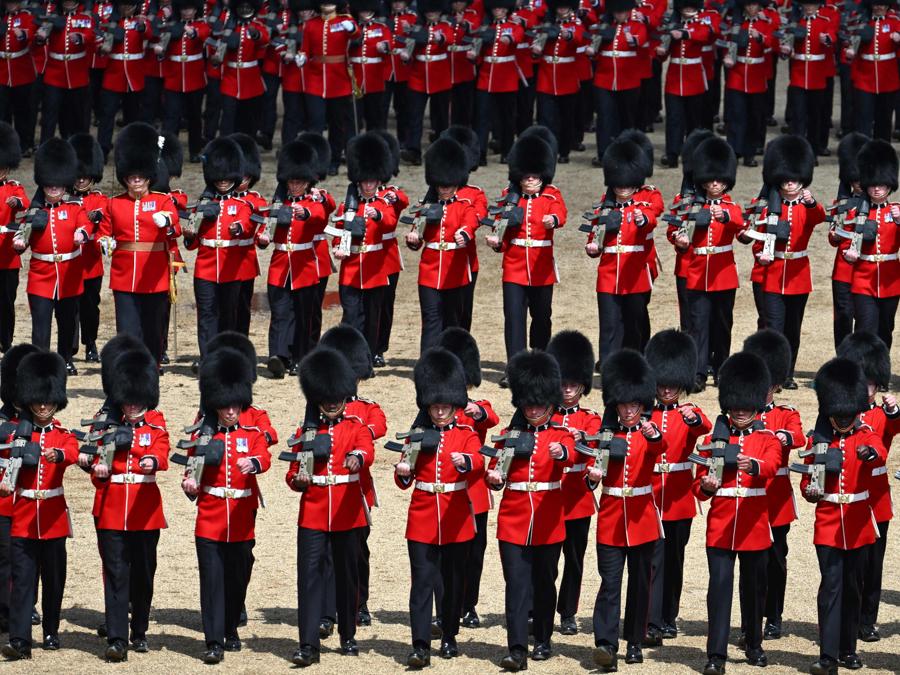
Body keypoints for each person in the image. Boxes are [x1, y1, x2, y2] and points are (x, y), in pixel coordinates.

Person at [692, 351, 781, 674]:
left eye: (747, 407)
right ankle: (715, 654)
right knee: (719, 589)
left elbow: (772, 464)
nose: (741, 412)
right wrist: (707, 486)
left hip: (755, 525)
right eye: (736, 406)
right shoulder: (710, 441)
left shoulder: (766, 438)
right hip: (721, 525)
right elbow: (696, 487)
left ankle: (754, 643)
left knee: (754, 589)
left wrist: (753, 465)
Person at [180, 346, 271, 664]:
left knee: (238, 574)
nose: (231, 411)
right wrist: (190, 485)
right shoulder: (203, 435)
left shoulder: (250, 430)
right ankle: (214, 640)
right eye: (225, 405)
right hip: (210, 515)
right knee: (212, 579)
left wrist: (254, 463)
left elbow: (264, 454)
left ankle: (231, 626)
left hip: (242, 516)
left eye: (235, 405)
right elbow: (190, 469)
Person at [486, 349, 575, 671]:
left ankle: (544, 638)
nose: (534, 409)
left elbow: (574, 457)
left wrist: (562, 453)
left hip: (549, 519)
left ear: (550, 403)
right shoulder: (510, 437)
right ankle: (517, 649)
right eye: (529, 403)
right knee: (517, 585)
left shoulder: (561, 433)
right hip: (513, 520)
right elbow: (496, 472)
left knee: (545, 582)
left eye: (539, 403)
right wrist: (494, 479)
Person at [287, 347, 374, 666]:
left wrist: (357, 459)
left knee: (347, 575)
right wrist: (298, 479)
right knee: (308, 578)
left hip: (347, 512)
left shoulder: (354, 425)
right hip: (312, 512)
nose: (332, 403)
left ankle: (348, 634)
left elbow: (366, 449)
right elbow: (292, 471)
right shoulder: (306, 431)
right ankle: (308, 644)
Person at [800, 358, 886, 675]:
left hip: (859, 522)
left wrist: (870, 453)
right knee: (831, 586)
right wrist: (810, 490)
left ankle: (849, 650)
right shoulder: (818, 439)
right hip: (828, 522)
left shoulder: (864, 433)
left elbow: (879, 449)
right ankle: (828, 654)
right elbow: (807, 479)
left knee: (853, 587)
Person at [396, 348, 481, 667]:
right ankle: (420, 645)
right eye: (435, 406)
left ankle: (449, 635)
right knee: (422, 583)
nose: (440, 412)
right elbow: (404, 473)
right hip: (422, 516)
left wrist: (466, 462)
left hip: (456, 516)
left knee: (452, 582)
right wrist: (403, 473)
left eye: (445, 406)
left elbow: (477, 460)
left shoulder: (465, 433)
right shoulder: (417, 435)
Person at [87, 347, 168, 662]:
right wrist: (100, 467)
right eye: (127, 398)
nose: (133, 404)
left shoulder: (155, 421)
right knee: (116, 574)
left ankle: (140, 631)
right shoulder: (105, 422)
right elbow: (96, 469)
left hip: (145, 512)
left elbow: (161, 451)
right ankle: (118, 638)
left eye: (138, 398)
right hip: (112, 509)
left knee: (144, 574)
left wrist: (143, 455)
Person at [587, 349, 664, 670]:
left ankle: (634, 642)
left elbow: (664, 447)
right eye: (624, 405)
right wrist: (591, 477)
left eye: (634, 405)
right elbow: (589, 473)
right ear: (616, 405)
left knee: (638, 585)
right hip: (611, 519)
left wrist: (654, 433)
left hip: (643, 518)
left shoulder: (649, 434)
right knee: (610, 584)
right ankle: (606, 643)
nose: (629, 410)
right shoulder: (605, 436)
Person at [0, 351, 79, 660]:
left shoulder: (63, 435)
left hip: (53, 519)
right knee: (22, 581)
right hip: (22, 517)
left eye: (48, 401)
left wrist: (58, 456)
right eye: (38, 400)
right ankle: (20, 639)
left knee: (54, 580)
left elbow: (71, 453)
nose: (43, 406)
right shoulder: (15, 433)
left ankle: (50, 630)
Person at [317, 323, 387, 629]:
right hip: (325, 492)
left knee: (356, 552)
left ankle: (359, 603)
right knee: (326, 556)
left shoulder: (366, 408)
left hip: (356, 492)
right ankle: (328, 611)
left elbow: (378, 427)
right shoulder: (319, 409)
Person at [643, 329, 710, 643]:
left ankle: (669, 615)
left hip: (679, 497)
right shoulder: (646, 414)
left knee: (675, 560)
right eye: (662, 383)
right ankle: (651, 619)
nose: (666, 389)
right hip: (651, 496)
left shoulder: (690, 413)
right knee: (653, 559)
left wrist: (692, 418)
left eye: (672, 384)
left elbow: (704, 427)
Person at [745, 134, 823, 388]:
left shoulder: (806, 207)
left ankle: (787, 374)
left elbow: (818, 216)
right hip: (772, 272)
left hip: (798, 275)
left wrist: (811, 202)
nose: (790, 184)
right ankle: (771, 375)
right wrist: (761, 254)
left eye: (795, 179)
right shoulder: (766, 207)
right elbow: (753, 235)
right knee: (773, 328)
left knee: (793, 329)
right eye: (786, 180)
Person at [100, 122, 181, 365]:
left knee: (152, 330)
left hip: (154, 274)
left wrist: (166, 221)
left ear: (148, 178)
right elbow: (104, 232)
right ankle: (127, 369)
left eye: (140, 177)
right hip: (124, 275)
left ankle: (152, 368)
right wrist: (104, 243)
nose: (136, 181)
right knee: (126, 331)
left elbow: (175, 227)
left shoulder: (162, 201)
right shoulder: (114, 203)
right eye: (131, 177)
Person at [837, 331, 899, 645]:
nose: (867, 389)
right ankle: (845, 615)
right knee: (849, 566)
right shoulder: (839, 413)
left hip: (876, 500)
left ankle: (867, 619)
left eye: (872, 384)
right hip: (848, 500)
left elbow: (897, 425)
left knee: (873, 565)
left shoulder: (882, 414)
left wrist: (894, 410)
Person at [486, 132, 565, 377]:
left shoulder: (552, 195)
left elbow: (559, 213)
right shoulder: (509, 198)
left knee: (542, 317)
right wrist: (496, 243)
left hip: (541, 268)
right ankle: (515, 368)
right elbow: (500, 230)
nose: (530, 180)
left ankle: (541, 361)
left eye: (535, 176)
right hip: (514, 265)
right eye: (526, 176)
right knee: (514, 319)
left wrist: (552, 220)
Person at [742, 329, 803, 641]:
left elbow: (799, 436)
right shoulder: (741, 413)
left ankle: (774, 616)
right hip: (750, 499)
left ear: (776, 385)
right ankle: (749, 620)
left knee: (776, 561)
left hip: (777, 500)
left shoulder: (785, 413)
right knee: (751, 564)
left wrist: (784, 437)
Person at [437, 327, 499, 629]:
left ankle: (468, 604)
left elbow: (491, 418)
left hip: (474, 494)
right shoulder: (436, 409)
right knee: (445, 554)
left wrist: (475, 410)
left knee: (474, 554)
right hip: (446, 494)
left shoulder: (477, 406)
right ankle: (446, 604)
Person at [13, 138, 91, 375]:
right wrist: (19, 242)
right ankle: (40, 363)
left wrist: (82, 233)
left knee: (67, 322)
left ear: (65, 185)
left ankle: (66, 358)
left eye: (57, 185)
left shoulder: (75, 207)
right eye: (49, 185)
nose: (54, 189)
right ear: (44, 185)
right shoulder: (34, 212)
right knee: (41, 325)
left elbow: (86, 224)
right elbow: (22, 238)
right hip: (41, 275)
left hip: (69, 274)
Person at [676, 135, 743, 392]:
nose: (714, 184)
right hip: (696, 271)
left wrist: (724, 216)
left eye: (719, 180)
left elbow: (740, 225)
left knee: (722, 323)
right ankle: (698, 371)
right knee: (697, 325)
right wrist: (679, 240)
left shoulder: (731, 206)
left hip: (723, 273)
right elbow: (676, 230)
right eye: (710, 180)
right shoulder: (690, 205)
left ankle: (721, 366)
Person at [545, 330, 600, 637]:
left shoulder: (590, 419)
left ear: (582, 387)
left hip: (577, 498)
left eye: (573, 385)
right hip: (549, 496)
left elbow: (595, 450)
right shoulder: (545, 415)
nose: (567, 390)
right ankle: (540, 609)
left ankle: (568, 611)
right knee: (547, 561)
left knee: (574, 561)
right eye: (563, 384)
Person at [183, 137, 254, 364]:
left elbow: (246, 226)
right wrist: (192, 231)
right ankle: (208, 358)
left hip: (231, 269)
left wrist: (237, 228)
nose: (222, 181)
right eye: (218, 177)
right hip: (205, 268)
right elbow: (193, 243)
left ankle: (226, 357)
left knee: (227, 317)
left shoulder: (242, 204)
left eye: (226, 177)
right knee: (206, 316)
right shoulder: (202, 205)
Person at [265, 139, 332, 378]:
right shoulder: (278, 200)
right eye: (291, 181)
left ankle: (303, 357)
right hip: (281, 262)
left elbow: (322, 213)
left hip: (306, 265)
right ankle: (279, 355)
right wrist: (262, 236)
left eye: (299, 182)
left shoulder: (315, 199)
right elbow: (265, 227)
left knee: (306, 315)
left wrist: (306, 212)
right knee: (280, 311)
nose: (294, 186)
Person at [587, 136, 656, 364]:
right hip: (608, 272)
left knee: (634, 323)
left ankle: (635, 362)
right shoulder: (604, 204)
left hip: (635, 272)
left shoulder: (645, 200)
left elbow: (651, 218)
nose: (622, 188)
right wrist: (593, 246)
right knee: (608, 325)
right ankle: (608, 366)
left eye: (626, 184)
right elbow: (594, 233)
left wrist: (641, 219)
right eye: (618, 184)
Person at [406, 136, 478, 352]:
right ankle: (428, 361)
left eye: (448, 184)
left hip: (456, 268)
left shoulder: (468, 199)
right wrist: (413, 239)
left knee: (454, 321)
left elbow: (473, 217)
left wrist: (464, 233)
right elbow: (418, 233)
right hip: (429, 269)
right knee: (430, 320)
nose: (444, 188)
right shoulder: (428, 202)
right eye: (440, 185)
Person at [333, 132, 395, 357]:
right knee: (351, 316)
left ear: (378, 180)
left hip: (374, 269)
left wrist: (377, 214)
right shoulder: (347, 206)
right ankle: (350, 354)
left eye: (372, 181)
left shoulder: (384, 203)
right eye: (365, 181)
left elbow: (389, 222)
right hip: (351, 268)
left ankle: (368, 355)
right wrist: (338, 247)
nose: (368, 186)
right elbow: (338, 232)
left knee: (372, 317)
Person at [844, 139, 900, 348]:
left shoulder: (896, 211)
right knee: (864, 328)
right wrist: (848, 255)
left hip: (890, 279)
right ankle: (863, 375)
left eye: (882, 185)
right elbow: (836, 238)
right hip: (863, 279)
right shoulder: (855, 212)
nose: (876, 190)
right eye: (873, 185)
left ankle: (880, 376)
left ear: (889, 185)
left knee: (886, 329)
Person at [0, 342, 39, 635]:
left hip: (29, 500)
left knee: (28, 558)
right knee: (5, 559)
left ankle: (26, 604)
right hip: (3, 501)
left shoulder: (37, 419)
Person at [299, 1, 358, 174]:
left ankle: (334, 160)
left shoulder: (345, 21)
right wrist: (302, 57)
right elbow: (306, 49)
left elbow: (356, 34)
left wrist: (351, 28)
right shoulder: (311, 24)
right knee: (315, 123)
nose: (327, 5)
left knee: (337, 124)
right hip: (315, 81)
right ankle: (316, 160)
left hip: (338, 82)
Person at [589, 0, 648, 162]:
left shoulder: (637, 26)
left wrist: (632, 40)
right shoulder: (604, 26)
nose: (620, 14)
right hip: (604, 79)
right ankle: (603, 153)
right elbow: (594, 51)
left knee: (627, 118)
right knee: (605, 117)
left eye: (623, 11)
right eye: (617, 12)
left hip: (628, 79)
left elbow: (640, 40)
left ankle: (627, 152)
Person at [657, 0, 712, 168]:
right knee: (674, 119)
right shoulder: (672, 24)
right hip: (675, 78)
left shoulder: (701, 22)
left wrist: (684, 34)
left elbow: (705, 35)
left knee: (693, 120)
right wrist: (661, 51)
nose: (688, 9)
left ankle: (692, 154)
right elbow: (664, 53)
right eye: (685, 6)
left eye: (691, 6)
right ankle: (672, 154)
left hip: (694, 77)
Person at [68, 133, 108, 364]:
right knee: (69, 308)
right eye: (77, 177)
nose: (81, 181)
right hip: (69, 263)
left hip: (91, 264)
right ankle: (71, 347)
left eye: (85, 177)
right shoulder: (64, 198)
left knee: (90, 308)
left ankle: (90, 343)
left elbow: (103, 224)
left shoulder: (99, 199)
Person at [532, 0, 587, 164]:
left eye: (565, 6)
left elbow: (578, 38)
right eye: (560, 6)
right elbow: (537, 48)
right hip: (546, 76)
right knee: (546, 119)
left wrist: (567, 35)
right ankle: (548, 151)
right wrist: (536, 49)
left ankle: (564, 151)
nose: (562, 9)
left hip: (566, 77)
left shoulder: (575, 23)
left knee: (566, 118)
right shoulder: (547, 24)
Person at [400, 0, 454, 165]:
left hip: (440, 79)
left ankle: (442, 150)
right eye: (428, 11)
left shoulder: (445, 27)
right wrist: (405, 56)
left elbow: (449, 39)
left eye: (434, 11)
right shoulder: (417, 28)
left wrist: (440, 38)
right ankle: (413, 150)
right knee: (415, 117)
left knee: (441, 118)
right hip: (418, 78)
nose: (431, 13)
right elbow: (409, 49)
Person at [470, 0, 524, 164]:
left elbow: (517, 36)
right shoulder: (486, 28)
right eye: (495, 8)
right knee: (482, 118)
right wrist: (474, 56)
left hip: (505, 78)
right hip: (486, 77)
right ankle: (481, 154)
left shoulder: (514, 26)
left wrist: (509, 38)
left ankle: (507, 152)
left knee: (507, 117)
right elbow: (479, 50)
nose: (498, 11)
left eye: (501, 8)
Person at [828, 132, 868, 350]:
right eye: (854, 181)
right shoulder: (841, 202)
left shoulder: (878, 204)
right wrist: (835, 234)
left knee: (865, 319)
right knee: (843, 317)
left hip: (867, 268)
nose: (858, 184)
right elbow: (833, 237)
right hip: (843, 269)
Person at [722, 0, 775, 167]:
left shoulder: (766, 23)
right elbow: (726, 41)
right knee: (736, 115)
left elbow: (773, 43)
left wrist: (761, 38)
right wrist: (727, 56)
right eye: (748, 5)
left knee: (754, 117)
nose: (751, 8)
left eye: (754, 5)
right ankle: (734, 150)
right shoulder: (736, 22)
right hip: (738, 74)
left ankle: (749, 153)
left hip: (756, 75)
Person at [35, 0, 95, 143]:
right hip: (54, 74)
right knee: (50, 113)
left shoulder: (85, 19)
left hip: (77, 74)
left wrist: (80, 38)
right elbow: (40, 40)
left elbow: (90, 36)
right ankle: (46, 145)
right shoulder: (52, 19)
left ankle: (79, 145)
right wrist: (40, 37)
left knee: (78, 114)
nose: (68, 2)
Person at [373, 129, 409, 367]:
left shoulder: (391, 193)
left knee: (385, 305)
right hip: (364, 257)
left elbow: (402, 200)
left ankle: (379, 348)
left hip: (386, 257)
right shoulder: (357, 194)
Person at [782, 1, 836, 156]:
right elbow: (785, 45)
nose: (809, 7)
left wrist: (826, 39)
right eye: (806, 4)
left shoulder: (824, 21)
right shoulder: (795, 21)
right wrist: (786, 50)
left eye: (812, 4)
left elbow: (831, 37)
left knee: (815, 117)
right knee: (798, 117)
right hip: (799, 75)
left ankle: (812, 150)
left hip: (817, 76)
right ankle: (798, 152)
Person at [160, 0, 210, 163]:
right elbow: (163, 46)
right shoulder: (171, 25)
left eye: (190, 8)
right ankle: (168, 152)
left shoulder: (201, 24)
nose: (187, 12)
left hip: (194, 78)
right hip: (174, 78)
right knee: (170, 118)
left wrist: (192, 32)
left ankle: (195, 151)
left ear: (196, 10)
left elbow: (203, 34)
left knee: (194, 117)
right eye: (184, 8)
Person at [847, 0, 900, 141]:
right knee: (863, 118)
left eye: (882, 4)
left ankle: (882, 153)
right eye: (876, 4)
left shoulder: (895, 22)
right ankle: (862, 152)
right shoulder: (860, 22)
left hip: (887, 78)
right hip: (865, 77)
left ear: (887, 6)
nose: (879, 7)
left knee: (884, 119)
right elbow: (848, 41)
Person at [216, 0, 269, 137]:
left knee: (248, 118)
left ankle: (247, 145)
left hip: (250, 79)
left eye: (248, 7)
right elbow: (219, 49)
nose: (244, 10)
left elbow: (264, 39)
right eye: (241, 7)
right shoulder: (229, 27)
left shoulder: (257, 26)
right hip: (231, 77)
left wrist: (256, 34)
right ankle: (226, 146)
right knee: (228, 115)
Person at [0, 122, 28, 353]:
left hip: (7, 255)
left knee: (7, 302)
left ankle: (6, 339)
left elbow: (24, 203)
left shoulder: (13, 187)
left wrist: (16, 203)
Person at [0, 1, 37, 158]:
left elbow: (31, 32)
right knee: (3, 112)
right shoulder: (2, 17)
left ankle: (24, 144)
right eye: (9, 2)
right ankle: (5, 146)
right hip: (2, 71)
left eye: (14, 2)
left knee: (23, 112)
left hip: (21, 71)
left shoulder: (26, 17)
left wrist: (23, 35)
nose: (11, 5)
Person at [349, 0, 392, 131]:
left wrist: (383, 46)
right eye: (362, 11)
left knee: (374, 117)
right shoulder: (353, 27)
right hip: (355, 77)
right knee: (354, 118)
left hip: (374, 78)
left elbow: (389, 43)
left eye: (367, 11)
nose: (365, 13)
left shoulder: (381, 27)